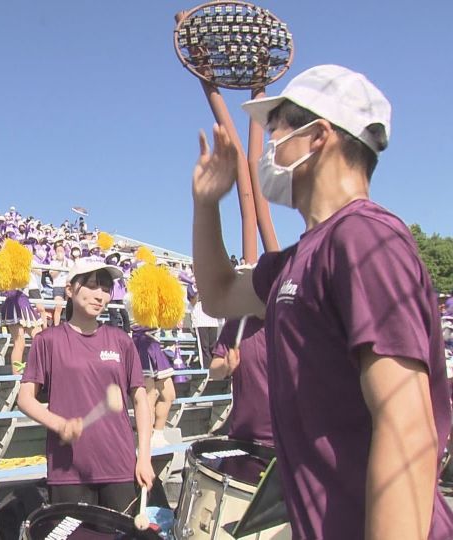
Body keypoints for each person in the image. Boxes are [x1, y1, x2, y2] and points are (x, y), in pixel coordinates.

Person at [191, 64, 453, 539]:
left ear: (317, 137)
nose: (269, 148)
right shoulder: (299, 257)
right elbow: (219, 294)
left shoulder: (364, 236)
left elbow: (407, 427)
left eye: (277, 131)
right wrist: (207, 204)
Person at [17, 260, 155, 513]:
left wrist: (144, 457)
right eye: (91, 286)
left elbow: (140, 399)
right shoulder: (47, 341)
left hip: (119, 463)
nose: (100, 295)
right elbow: (25, 398)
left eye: (105, 288)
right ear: (70, 290)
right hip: (67, 468)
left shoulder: (121, 340)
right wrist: (59, 424)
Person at [208, 316, 272, 446]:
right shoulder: (236, 325)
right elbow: (214, 370)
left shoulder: (289, 321)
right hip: (244, 435)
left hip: (286, 437)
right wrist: (225, 366)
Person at [131, 326, 175, 448]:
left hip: (154, 342)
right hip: (141, 341)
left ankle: (158, 435)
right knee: (149, 396)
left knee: (169, 395)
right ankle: (147, 439)